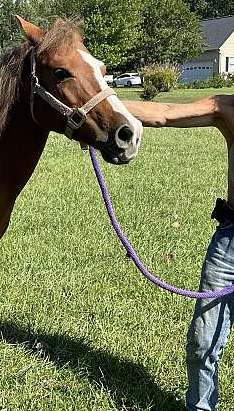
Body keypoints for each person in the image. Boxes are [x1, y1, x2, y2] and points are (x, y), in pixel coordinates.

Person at [125, 95, 234, 411]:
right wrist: (99, 103)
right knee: (203, 342)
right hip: (229, 244)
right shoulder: (226, 109)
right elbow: (164, 113)